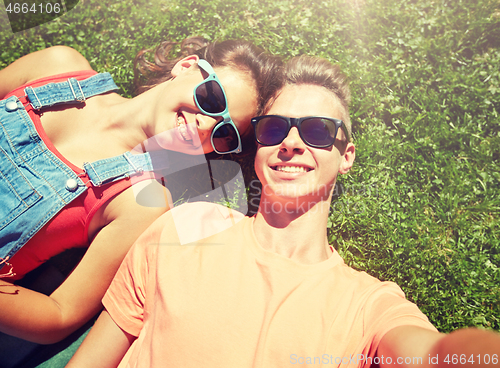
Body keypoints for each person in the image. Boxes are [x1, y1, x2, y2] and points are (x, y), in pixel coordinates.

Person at [67, 55, 500, 368]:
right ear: (258, 148)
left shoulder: (367, 304)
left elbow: (434, 354)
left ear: (345, 155)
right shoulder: (184, 228)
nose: (291, 142)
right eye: (274, 128)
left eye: (315, 130)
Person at [0, 37, 282, 367]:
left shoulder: (142, 202)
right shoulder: (58, 67)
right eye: (212, 98)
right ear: (187, 66)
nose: (206, 125)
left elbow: (60, 314)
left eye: (224, 132)